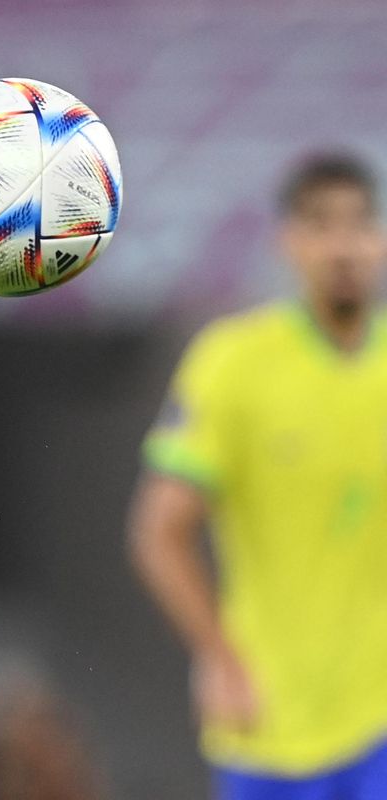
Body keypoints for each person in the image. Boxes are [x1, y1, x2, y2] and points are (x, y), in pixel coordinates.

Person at [129, 153, 387, 799]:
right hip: (269, 715)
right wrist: (216, 656)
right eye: (321, 225)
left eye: (359, 225)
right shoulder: (233, 363)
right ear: (289, 243)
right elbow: (159, 532)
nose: (343, 246)